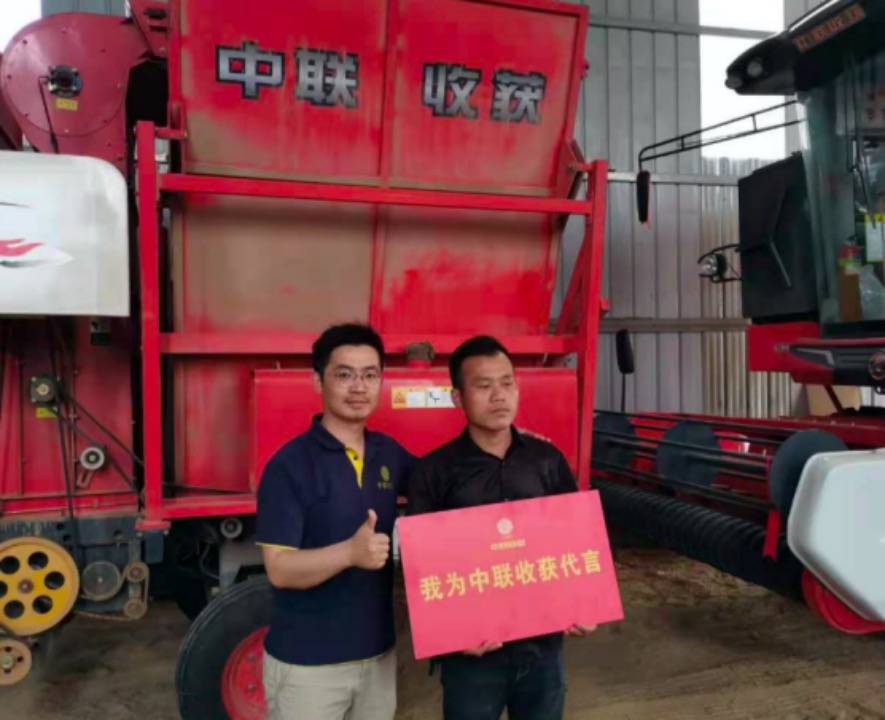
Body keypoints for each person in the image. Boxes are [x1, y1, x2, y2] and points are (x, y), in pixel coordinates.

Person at [407, 335, 596, 720]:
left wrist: (584, 602)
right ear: (458, 397)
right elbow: (420, 563)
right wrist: (450, 631)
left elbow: (574, 538)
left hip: (542, 648)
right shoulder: (434, 471)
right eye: (483, 385)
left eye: (507, 383)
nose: (499, 396)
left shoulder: (547, 460)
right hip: (474, 654)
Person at [255, 323, 413, 720]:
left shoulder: (388, 453)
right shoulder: (288, 466)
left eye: (370, 375)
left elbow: (449, 482)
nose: (359, 386)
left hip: (377, 658)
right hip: (308, 667)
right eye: (344, 375)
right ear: (317, 381)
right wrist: (350, 553)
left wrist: (507, 443)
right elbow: (280, 569)